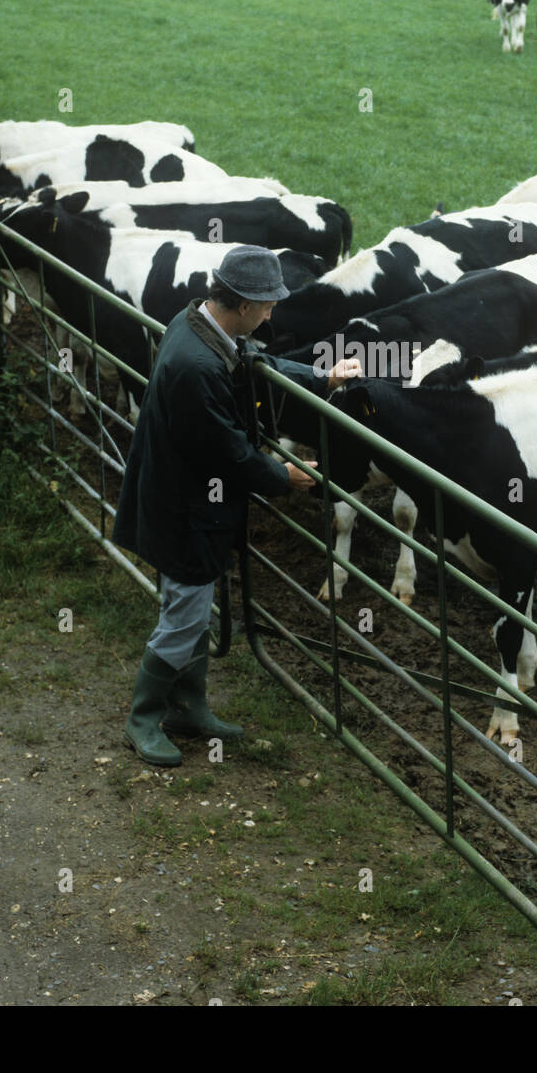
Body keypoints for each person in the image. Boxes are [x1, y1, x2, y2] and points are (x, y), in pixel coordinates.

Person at [112, 245, 359, 766]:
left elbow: (258, 364)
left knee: (193, 609)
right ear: (244, 304)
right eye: (268, 305)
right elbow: (228, 450)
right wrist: (283, 476)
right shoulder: (197, 366)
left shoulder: (198, 325)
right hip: (186, 509)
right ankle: (143, 718)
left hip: (181, 497)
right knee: (183, 614)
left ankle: (189, 705)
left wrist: (320, 377)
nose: (272, 313)